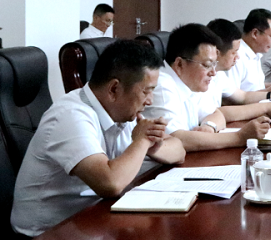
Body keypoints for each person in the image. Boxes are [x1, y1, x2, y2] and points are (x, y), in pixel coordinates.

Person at [11, 40, 185, 236]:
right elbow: (110, 183)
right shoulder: (70, 115)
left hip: (93, 218)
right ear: (114, 89)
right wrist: (142, 141)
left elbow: (179, 150)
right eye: (146, 91)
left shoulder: (121, 110)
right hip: (48, 233)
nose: (150, 101)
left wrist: (152, 146)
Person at [142, 24, 271, 152]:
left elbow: (217, 114)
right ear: (180, 64)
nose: (213, 73)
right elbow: (175, 139)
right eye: (207, 65)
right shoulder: (162, 86)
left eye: (214, 64)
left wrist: (209, 126)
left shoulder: (190, 82)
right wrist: (239, 137)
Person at [206, 19, 271, 120]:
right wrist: (265, 108)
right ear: (217, 53)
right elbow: (219, 111)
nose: (237, 57)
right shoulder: (202, 76)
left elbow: (243, 96)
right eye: (234, 52)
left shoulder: (219, 74)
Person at [226, 8, 271, 92]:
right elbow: (232, 96)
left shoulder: (256, 54)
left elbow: (253, 87)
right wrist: (270, 91)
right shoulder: (236, 56)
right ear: (255, 33)